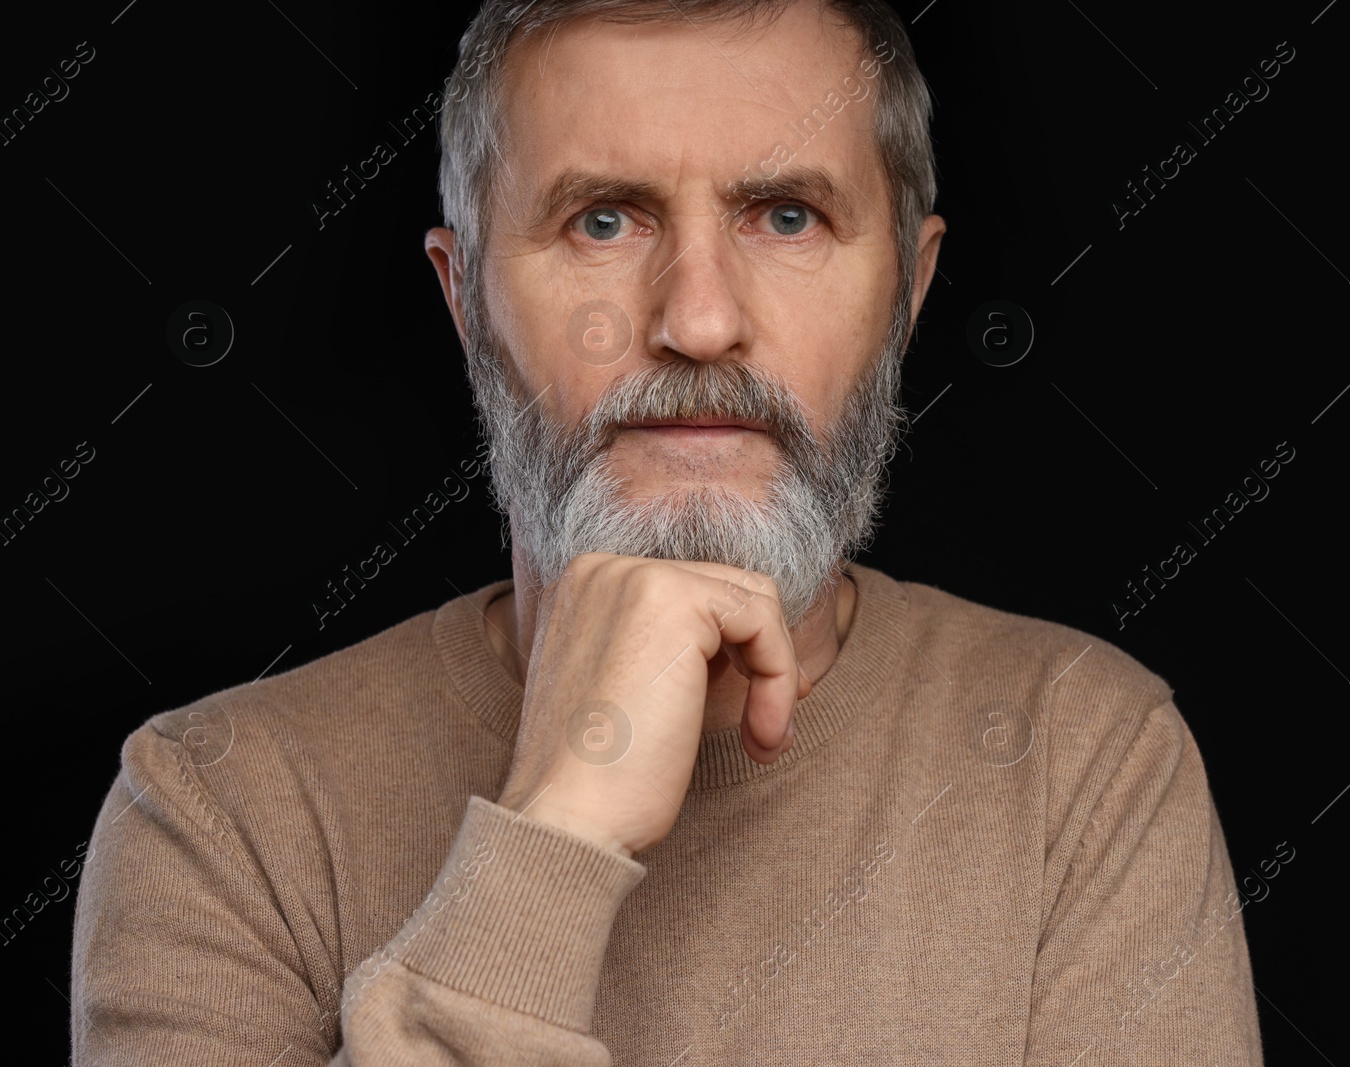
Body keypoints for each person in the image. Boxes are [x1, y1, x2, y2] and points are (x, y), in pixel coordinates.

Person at [71, 0, 1266, 1062]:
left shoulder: (1083, 759)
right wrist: (556, 832)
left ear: (907, 287)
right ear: (464, 299)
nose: (697, 321)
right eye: (603, 222)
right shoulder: (217, 810)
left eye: (786, 216)